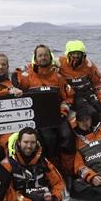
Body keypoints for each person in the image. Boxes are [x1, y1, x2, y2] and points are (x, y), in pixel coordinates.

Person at [13, 44, 75, 172]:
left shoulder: (58, 77)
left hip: (57, 115)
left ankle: (68, 172)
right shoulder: (27, 76)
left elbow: (68, 97)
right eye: (40, 55)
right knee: (49, 139)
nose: (43, 58)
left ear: (50, 57)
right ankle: (53, 170)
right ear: (35, 58)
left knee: (67, 136)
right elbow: (15, 85)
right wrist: (17, 76)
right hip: (38, 117)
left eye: (45, 55)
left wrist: (63, 110)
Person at [58, 40, 101, 132]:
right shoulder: (59, 63)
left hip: (88, 92)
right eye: (73, 53)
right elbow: (43, 65)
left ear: (83, 54)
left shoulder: (89, 65)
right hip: (74, 96)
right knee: (92, 113)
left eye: (78, 53)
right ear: (68, 54)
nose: (76, 56)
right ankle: (94, 136)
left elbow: (97, 83)